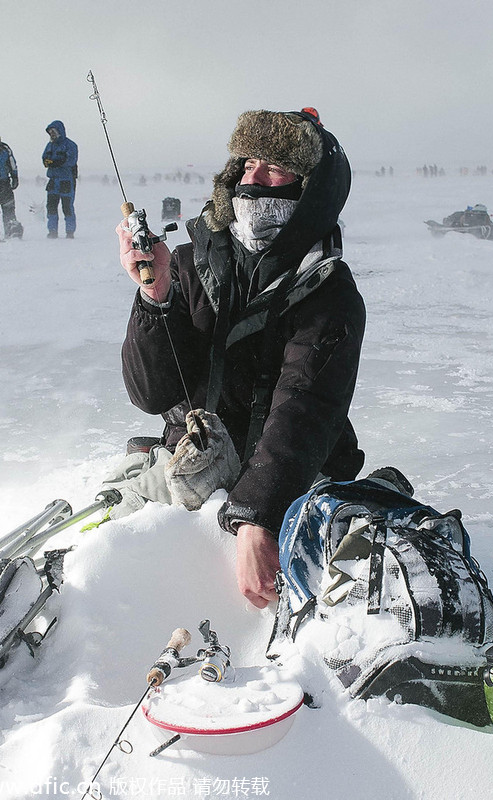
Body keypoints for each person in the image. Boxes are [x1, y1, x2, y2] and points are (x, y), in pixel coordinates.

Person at [116, 109, 366, 609]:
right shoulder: (188, 263)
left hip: (291, 479)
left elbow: (306, 405)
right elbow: (152, 394)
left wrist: (257, 518)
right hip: (197, 462)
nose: (253, 180)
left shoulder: (330, 291)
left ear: (309, 189)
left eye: (275, 168)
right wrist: (156, 297)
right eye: (248, 164)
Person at [42, 120, 78, 239]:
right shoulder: (49, 145)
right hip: (53, 181)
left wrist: (57, 162)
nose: (52, 134)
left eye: (54, 131)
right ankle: (52, 231)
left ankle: (70, 232)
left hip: (66, 181)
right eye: (50, 132)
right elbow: (44, 157)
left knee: (67, 207)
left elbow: (71, 160)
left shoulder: (70, 145)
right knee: (51, 207)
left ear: (60, 131)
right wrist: (47, 162)